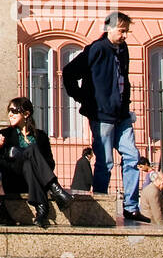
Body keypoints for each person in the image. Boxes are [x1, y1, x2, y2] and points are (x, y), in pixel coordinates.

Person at [61, 11, 147, 223]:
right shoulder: (96, 49)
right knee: (105, 162)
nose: (125, 35)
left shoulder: (123, 49)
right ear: (109, 28)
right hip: (102, 116)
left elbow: (122, 78)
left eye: (126, 31)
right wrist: (84, 99)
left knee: (132, 157)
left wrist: (124, 103)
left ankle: (130, 206)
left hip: (122, 115)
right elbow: (69, 72)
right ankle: (100, 202)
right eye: (122, 31)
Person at [0, 97, 73, 229]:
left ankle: (41, 211)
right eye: (8, 111)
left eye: (14, 111)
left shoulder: (41, 136)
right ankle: (56, 189)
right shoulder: (5, 134)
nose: (10, 114)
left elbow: (50, 163)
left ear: (26, 114)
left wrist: (35, 162)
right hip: (14, 179)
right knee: (31, 150)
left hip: (35, 180)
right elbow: (0, 163)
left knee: (29, 163)